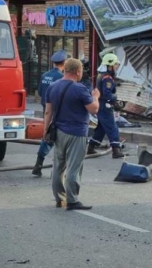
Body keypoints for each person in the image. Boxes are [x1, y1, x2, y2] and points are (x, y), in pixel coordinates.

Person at [44, 58, 100, 210]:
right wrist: (96, 96)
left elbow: (48, 111)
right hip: (77, 132)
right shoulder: (80, 88)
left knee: (58, 166)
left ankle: (59, 198)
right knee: (74, 167)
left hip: (58, 131)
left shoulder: (52, 87)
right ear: (78, 71)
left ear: (65, 70)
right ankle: (72, 200)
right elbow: (93, 109)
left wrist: (45, 131)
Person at [31, 50, 67, 177]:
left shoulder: (45, 75)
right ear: (64, 63)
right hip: (59, 112)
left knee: (47, 137)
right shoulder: (62, 77)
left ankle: (38, 164)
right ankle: (57, 171)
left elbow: (40, 92)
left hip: (46, 110)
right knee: (61, 140)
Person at [87, 53, 124, 158]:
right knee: (112, 127)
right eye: (115, 64)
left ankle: (91, 146)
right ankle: (116, 150)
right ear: (110, 65)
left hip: (101, 104)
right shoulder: (107, 78)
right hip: (104, 105)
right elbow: (107, 93)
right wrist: (115, 98)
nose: (116, 66)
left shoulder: (101, 75)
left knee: (102, 127)